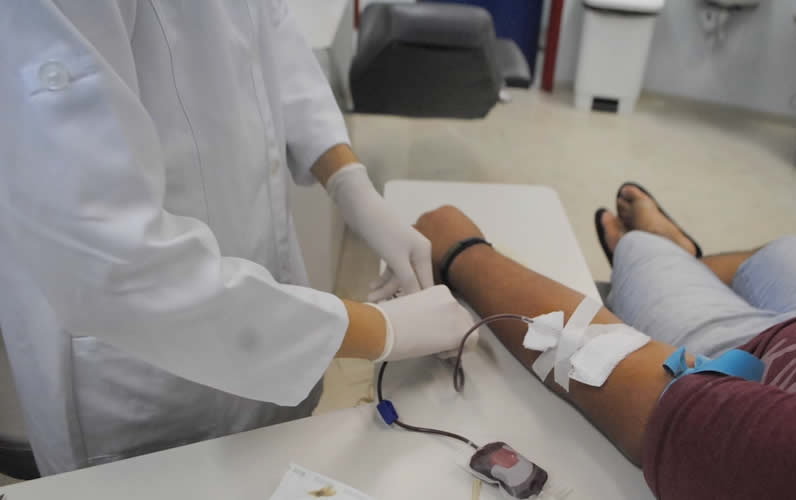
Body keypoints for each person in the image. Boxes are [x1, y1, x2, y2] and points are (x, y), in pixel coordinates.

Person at [0, 1, 474, 475]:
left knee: (280, 464)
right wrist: (382, 329)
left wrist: (349, 181)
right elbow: (109, 258)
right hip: (141, 385)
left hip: (257, 302)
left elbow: (268, 36)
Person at [412, 183, 796, 500]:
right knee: (786, 251)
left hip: (748, 353)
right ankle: (683, 254)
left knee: (638, 248)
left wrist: (460, 252)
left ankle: (661, 248)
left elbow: (629, 374)